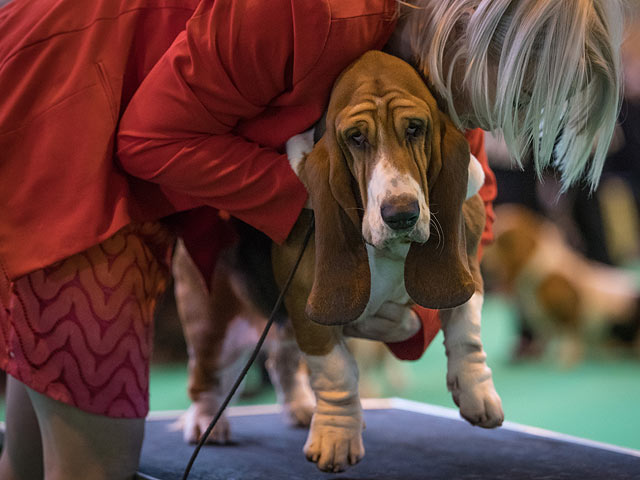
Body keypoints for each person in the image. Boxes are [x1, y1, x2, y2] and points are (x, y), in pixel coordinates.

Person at [0, 0, 622, 478]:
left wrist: (420, 316)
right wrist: (332, 210)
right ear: (471, 34)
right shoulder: (316, 9)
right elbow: (150, 139)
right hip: (62, 109)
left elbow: (470, 193)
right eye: (507, 96)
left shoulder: (434, 71)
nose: (486, 122)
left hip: (94, 111)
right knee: (98, 459)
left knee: (34, 445)